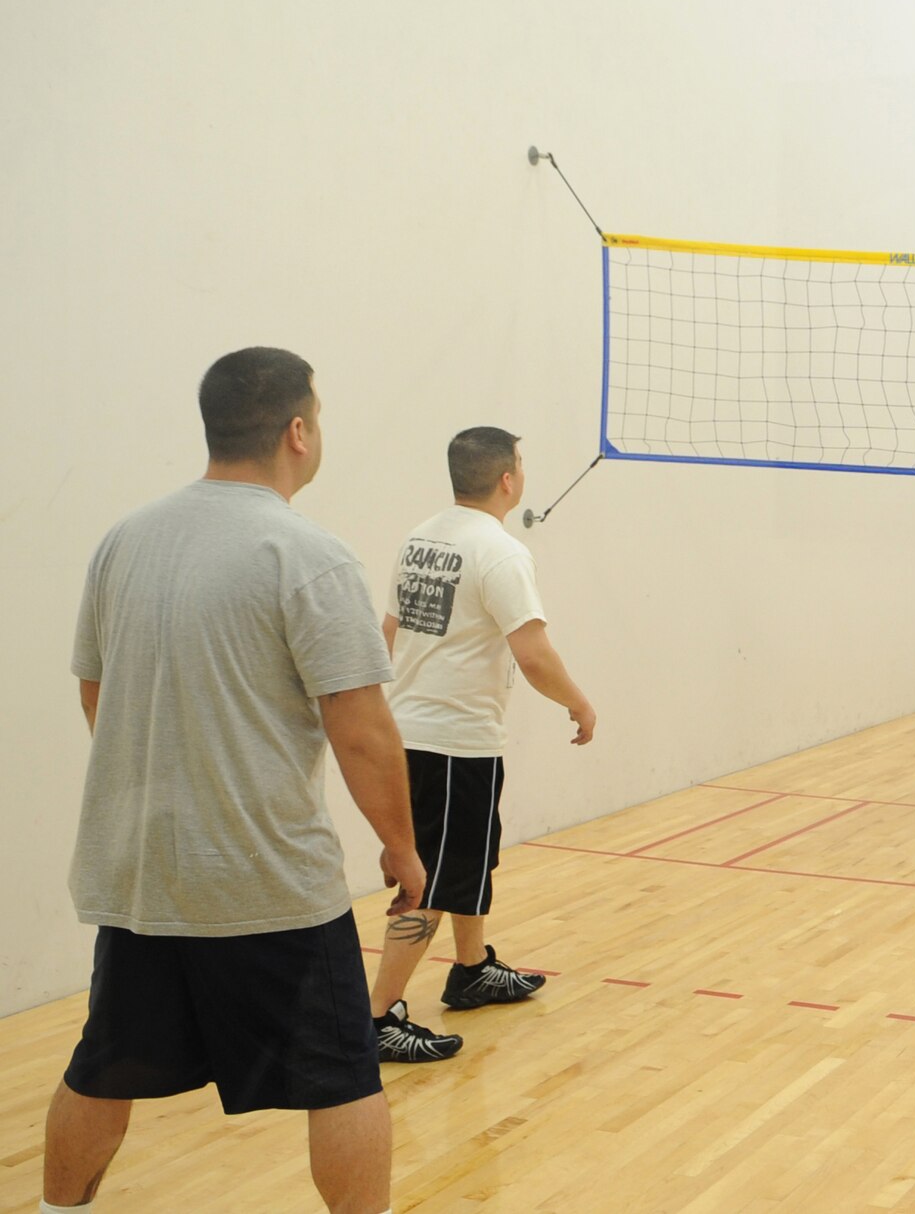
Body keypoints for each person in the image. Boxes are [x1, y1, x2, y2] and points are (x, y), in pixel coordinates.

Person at [48, 347, 423, 1214]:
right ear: (298, 431)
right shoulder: (308, 554)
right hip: (268, 885)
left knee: (104, 1069)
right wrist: (401, 847)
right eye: (317, 418)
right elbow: (362, 734)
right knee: (342, 1079)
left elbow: (94, 687)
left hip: (139, 874)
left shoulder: (125, 540)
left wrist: (166, 777)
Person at [368, 428, 597, 1061]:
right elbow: (533, 653)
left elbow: (386, 630)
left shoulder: (421, 538)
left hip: (416, 736)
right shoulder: (500, 553)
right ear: (507, 480)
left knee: (465, 860)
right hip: (451, 747)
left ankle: (471, 971)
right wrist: (578, 702)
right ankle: (377, 1018)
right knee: (433, 882)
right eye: (520, 463)